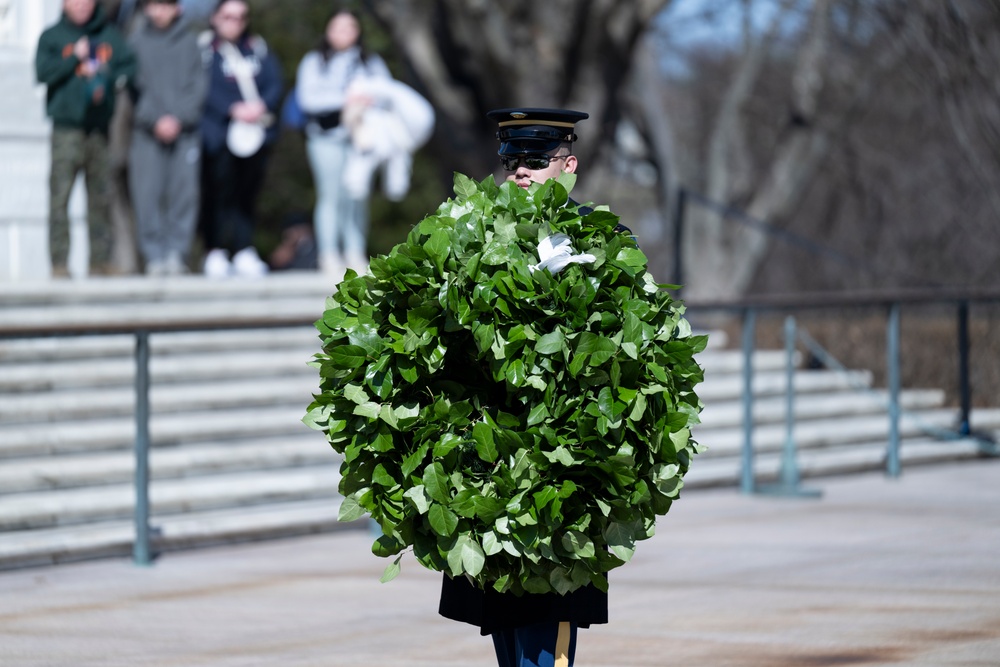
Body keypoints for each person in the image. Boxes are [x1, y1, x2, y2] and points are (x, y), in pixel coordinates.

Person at [437, 108, 609, 667]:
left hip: (556, 475)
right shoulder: (473, 237)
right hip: (489, 467)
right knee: (506, 633)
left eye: (536, 161)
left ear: (568, 165)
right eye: (511, 161)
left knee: (545, 640)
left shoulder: (599, 238)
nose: (521, 172)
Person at [35, 0, 137, 278]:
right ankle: (59, 264)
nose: (81, 6)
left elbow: (129, 67)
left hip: (98, 130)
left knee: (101, 198)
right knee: (60, 198)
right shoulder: (53, 36)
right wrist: (73, 58)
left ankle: (100, 261)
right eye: (75, 1)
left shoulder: (108, 35)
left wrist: (110, 79)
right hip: (66, 130)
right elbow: (42, 73)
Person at [294, 8, 391, 275]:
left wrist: (367, 99)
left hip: (361, 140)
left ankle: (355, 252)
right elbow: (307, 100)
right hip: (325, 137)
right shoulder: (314, 61)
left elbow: (386, 93)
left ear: (358, 31)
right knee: (330, 196)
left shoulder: (370, 61)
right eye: (338, 27)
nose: (343, 33)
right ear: (328, 30)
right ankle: (328, 254)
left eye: (349, 27)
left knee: (357, 196)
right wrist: (346, 100)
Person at [198, 0, 283, 278]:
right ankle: (215, 250)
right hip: (218, 136)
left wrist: (260, 106)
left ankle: (244, 248)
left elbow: (274, 82)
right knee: (217, 194)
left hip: (255, 136)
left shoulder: (257, 48)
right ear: (215, 18)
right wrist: (231, 108)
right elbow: (201, 87)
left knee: (247, 195)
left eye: (240, 17)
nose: (234, 22)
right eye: (228, 16)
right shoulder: (205, 50)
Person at [127, 0, 207, 276]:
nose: (160, 11)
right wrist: (155, 119)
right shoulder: (135, 43)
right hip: (146, 133)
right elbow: (133, 87)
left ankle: (177, 254)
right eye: (154, 5)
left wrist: (179, 118)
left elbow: (199, 85)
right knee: (146, 194)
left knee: (184, 194)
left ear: (178, 9)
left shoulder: (192, 43)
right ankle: (153, 256)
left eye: (166, 5)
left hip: (185, 132)